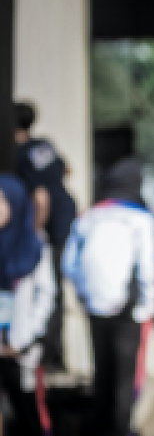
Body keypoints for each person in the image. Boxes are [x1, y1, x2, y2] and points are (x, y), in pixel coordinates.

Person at [63, 157, 154, 436]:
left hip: (95, 310)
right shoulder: (141, 219)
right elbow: (148, 267)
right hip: (129, 313)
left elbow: (69, 264)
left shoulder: (89, 216)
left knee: (101, 377)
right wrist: (147, 308)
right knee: (125, 382)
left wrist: (85, 297)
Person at [0, 175, 71, 436]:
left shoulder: (34, 246)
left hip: (20, 350)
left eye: (0, 201)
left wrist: (28, 340)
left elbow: (47, 297)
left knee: (31, 422)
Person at [14, 101, 78, 374]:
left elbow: (41, 198)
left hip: (50, 226)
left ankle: (49, 353)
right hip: (64, 220)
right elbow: (67, 169)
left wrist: (35, 234)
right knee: (56, 290)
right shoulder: (42, 146)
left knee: (47, 289)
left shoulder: (18, 153)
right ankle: (53, 352)